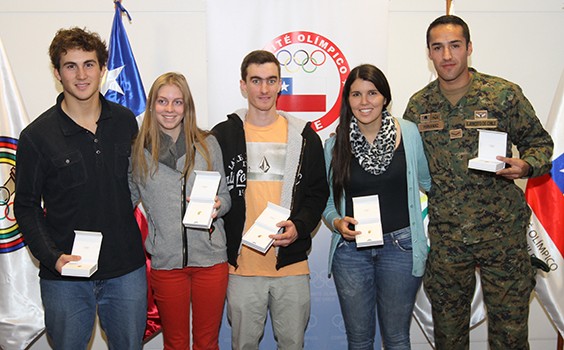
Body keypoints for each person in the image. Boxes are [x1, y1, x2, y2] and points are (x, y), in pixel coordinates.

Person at [403, 15, 554, 350]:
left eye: (454, 45)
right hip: (447, 238)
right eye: (438, 47)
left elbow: (541, 144)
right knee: (449, 336)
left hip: (502, 234)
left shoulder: (503, 94)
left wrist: (527, 165)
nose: (446, 56)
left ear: (469, 48)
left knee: (510, 335)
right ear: (428, 53)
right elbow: (410, 166)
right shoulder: (419, 105)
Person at [14, 27, 147, 349]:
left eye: (89, 64)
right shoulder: (37, 135)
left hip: (125, 270)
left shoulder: (126, 121)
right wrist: (53, 257)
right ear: (57, 73)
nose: (81, 74)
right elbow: (26, 206)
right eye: (70, 66)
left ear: (102, 70)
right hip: (65, 275)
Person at [212, 50, 329, 350]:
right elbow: (211, 190)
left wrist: (299, 226)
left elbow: (317, 193)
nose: (264, 89)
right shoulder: (222, 135)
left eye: (271, 81)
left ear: (280, 85)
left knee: (292, 344)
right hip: (241, 268)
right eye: (256, 81)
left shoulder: (304, 136)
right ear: (243, 85)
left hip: (290, 266)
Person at [323, 64, 431, 350]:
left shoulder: (408, 133)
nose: (364, 102)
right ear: (347, 100)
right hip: (351, 253)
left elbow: (428, 183)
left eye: (372, 93)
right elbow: (327, 200)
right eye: (356, 94)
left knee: (396, 338)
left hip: (401, 248)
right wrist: (336, 222)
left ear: (385, 97)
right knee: (359, 340)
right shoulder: (335, 145)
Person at [129, 72, 231, 350]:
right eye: (162, 101)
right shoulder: (138, 150)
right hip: (166, 264)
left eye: (177, 102)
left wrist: (219, 206)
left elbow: (225, 196)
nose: (170, 109)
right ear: (152, 105)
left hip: (210, 261)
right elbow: (125, 200)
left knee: (207, 343)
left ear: (187, 107)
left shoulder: (208, 144)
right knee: (174, 344)